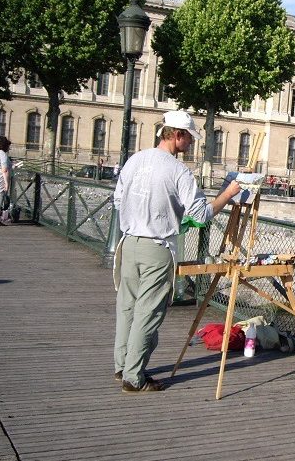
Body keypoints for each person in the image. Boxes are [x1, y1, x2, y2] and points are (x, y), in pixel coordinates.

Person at [112, 110, 240, 393]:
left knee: (127, 308)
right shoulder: (178, 171)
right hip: (157, 247)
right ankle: (133, 378)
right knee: (148, 313)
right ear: (178, 135)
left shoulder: (135, 160)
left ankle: (122, 365)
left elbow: (118, 200)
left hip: (129, 241)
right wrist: (228, 195)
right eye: (190, 138)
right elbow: (202, 215)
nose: (192, 144)